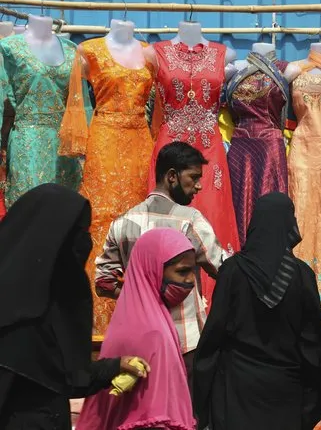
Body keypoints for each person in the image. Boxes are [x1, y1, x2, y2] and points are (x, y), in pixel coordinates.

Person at [0, 184, 149, 430]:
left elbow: (66, 376)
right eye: (78, 232)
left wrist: (114, 366)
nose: (86, 241)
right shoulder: (16, 316)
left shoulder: (52, 301)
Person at [95, 142, 228, 394]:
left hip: (136, 346)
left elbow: (103, 282)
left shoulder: (123, 223)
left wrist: (140, 297)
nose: (199, 186)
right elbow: (223, 269)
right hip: (184, 342)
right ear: (171, 176)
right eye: (194, 178)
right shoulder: (190, 221)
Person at [193, 192, 321, 430]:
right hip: (285, 392)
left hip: (235, 392)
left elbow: (213, 338)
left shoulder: (233, 271)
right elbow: (315, 344)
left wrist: (201, 405)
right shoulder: (301, 275)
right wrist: (311, 404)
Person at [77, 228, 197, 430]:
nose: (191, 280)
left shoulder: (130, 320)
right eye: (182, 271)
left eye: (193, 271)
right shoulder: (154, 333)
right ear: (154, 269)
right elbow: (154, 416)